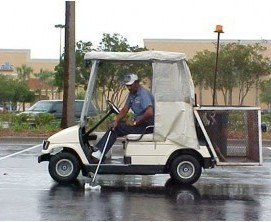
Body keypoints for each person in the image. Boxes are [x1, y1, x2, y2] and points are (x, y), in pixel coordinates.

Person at [90, 73, 155, 162]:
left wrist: (135, 122)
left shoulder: (143, 94)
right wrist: (116, 120)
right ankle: (100, 150)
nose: (129, 88)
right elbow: (125, 109)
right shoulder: (132, 94)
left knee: (117, 128)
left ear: (137, 82)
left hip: (146, 127)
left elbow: (149, 113)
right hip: (140, 124)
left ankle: (99, 153)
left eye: (130, 85)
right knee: (115, 125)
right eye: (127, 85)